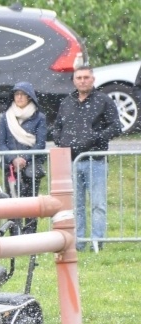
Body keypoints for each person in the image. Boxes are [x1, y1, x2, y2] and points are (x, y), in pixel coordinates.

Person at [52, 65, 121, 251]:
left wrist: (95, 138)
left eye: (86, 77)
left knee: (98, 204)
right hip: (72, 162)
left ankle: (97, 243)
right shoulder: (67, 102)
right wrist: (59, 139)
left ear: (93, 79)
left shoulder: (103, 101)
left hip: (95, 160)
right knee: (77, 206)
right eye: (79, 77)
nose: (82, 80)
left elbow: (116, 127)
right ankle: (79, 243)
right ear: (74, 80)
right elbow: (57, 126)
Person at [0, 82, 48, 234]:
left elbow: (40, 143)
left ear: (29, 97)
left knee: (31, 203)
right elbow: (0, 143)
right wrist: (13, 159)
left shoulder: (39, 118)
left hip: (31, 168)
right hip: (12, 169)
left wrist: (25, 158)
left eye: (22, 94)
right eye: (16, 94)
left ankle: (30, 236)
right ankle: (15, 235)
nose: (19, 97)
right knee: (13, 203)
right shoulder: (6, 118)